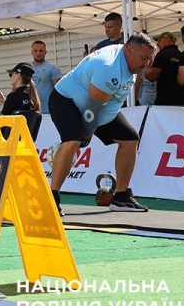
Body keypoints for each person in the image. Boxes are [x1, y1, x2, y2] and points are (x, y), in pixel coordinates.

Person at [48, 33, 156, 216]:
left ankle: (121, 197)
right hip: (67, 101)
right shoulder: (109, 68)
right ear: (129, 50)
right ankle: (52, 198)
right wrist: (85, 137)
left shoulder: (128, 61)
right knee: (73, 141)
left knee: (130, 139)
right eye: (144, 58)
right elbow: (92, 112)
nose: (146, 64)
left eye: (149, 59)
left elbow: (103, 107)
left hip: (99, 107)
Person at [0, 62, 42, 140]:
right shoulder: (32, 99)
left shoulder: (13, 97)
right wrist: (4, 101)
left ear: (18, 75)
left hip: (3, 142)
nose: (10, 77)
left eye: (11, 74)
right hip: (22, 143)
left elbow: (1, 122)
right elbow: (17, 110)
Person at [143, 32, 183, 106]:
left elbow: (152, 77)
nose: (158, 44)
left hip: (165, 101)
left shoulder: (162, 54)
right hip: (181, 100)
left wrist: (144, 68)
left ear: (167, 40)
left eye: (159, 40)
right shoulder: (181, 55)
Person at [30, 40, 61, 113]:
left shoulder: (52, 68)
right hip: (31, 111)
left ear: (45, 52)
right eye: (35, 51)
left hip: (48, 111)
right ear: (32, 52)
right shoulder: (27, 68)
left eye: (41, 51)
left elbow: (59, 91)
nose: (38, 53)